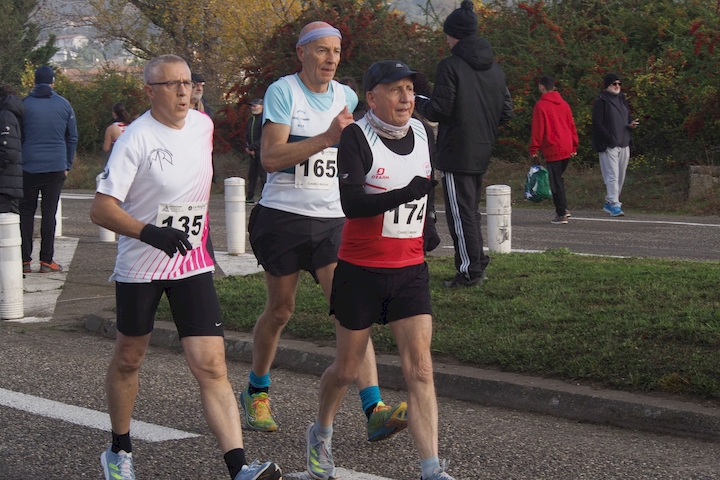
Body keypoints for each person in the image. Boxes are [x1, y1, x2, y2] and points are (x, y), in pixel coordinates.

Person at [90, 54, 281, 480]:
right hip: (142, 263)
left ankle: (239, 467)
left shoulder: (202, 126)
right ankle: (119, 450)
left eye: (188, 83)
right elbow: (101, 210)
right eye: (172, 84)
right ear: (150, 91)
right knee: (129, 357)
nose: (183, 92)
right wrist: (149, 232)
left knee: (210, 363)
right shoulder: (134, 139)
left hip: (190, 261)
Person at [244, 21, 408, 443]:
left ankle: (374, 408)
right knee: (281, 309)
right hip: (281, 217)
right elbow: (270, 157)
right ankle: (256, 390)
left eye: (335, 51)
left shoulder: (347, 96)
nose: (330, 58)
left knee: (352, 310)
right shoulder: (284, 92)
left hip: (333, 222)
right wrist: (326, 137)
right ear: (301, 54)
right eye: (321, 50)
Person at [306, 60, 454, 480]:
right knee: (348, 370)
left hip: (409, 270)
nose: (406, 98)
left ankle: (431, 468)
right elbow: (352, 204)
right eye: (395, 90)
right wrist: (403, 194)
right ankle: (321, 431)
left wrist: (428, 226)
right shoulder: (356, 137)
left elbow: (422, 190)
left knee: (420, 367)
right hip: (360, 270)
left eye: (410, 89)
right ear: (371, 98)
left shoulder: (424, 133)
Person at [415, 0, 512, 289]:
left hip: (457, 150)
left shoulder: (451, 66)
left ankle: (469, 270)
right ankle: (477, 261)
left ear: (454, 33)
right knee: (469, 210)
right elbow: (506, 111)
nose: (445, 40)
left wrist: (418, 98)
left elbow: (439, 110)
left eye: (447, 34)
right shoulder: (495, 69)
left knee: (459, 212)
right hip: (482, 149)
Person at [20, 66, 78, 274]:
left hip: (29, 166)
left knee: (25, 212)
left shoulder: (24, 105)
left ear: (34, 82)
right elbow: (72, 137)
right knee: (49, 213)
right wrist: (67, 164)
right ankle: (46, 261)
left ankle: (24, 260)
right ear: (52, 82)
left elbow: (18, 137)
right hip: (55, 166)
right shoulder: (64, 104)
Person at [529, 76, 579, 224]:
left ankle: (561, 212)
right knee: (558, 178)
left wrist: (534, 148)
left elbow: (538, 129)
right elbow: (571, 125)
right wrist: (574, 144)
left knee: (555, 181)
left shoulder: (541, 105)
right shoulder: (564, 104)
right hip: (567, 144)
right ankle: (563, 208)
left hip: (553, 146)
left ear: (542, 87)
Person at [592, 73, 639, 217]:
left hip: (624, 141)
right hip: (609, 144)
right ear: (607, 85)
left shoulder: (621, 99)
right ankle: (614, 203)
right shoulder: (601, 100)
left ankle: (611, 200)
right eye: (614, 84)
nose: (617, 86)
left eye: (619, 83)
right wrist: (609, 138)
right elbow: (597, 123)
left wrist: (630, 124)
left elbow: (626, 116)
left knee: (621, 174)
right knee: (612, 174)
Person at [0, 85, 25, 216]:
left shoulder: (5, 116)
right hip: (10, 181)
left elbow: (8, 151)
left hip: (6, 183)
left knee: (6, 226)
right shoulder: (10, 114)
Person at [245, 98, 266, 204]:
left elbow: (264, 137)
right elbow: (247, 135)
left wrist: (253, 147)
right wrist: (248, 147)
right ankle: (249, 197)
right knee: (252, 176)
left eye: (255, 105)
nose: (253, 107)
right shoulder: (250, 119)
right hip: (252, 153)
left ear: (262, 106)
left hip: (261, 152)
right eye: (252, 105)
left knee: (263, 176)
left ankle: (264, 197)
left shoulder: (264, 119)